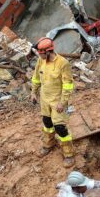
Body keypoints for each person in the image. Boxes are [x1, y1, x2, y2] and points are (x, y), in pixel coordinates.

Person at [30, 37, 76, 166]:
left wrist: (63, 102)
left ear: (48, 51)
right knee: (47, 123)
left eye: (41, 53)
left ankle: (68, 154)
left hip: (57, 101)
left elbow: (68, 85)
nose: (40, 55)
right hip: (44, 99)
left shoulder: (63, 63)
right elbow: (36, 77)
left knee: (60, 127)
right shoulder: (41, 60)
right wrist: (33, 92)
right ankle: (48, 144)